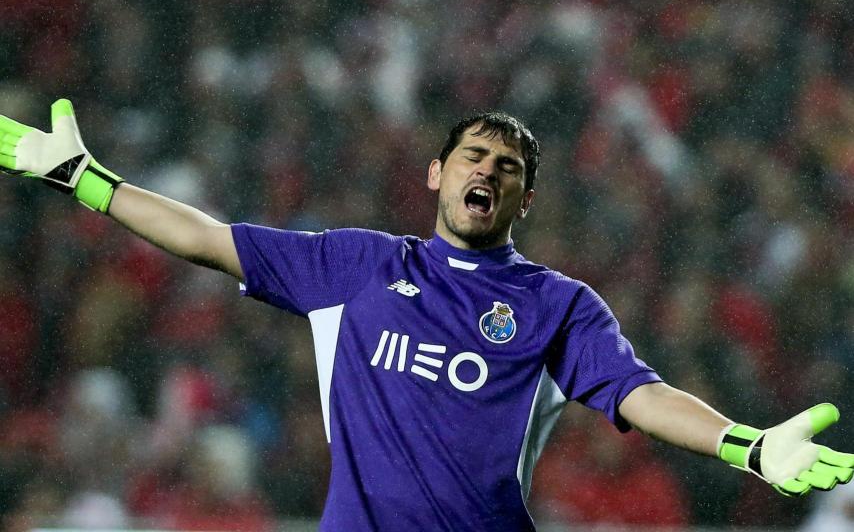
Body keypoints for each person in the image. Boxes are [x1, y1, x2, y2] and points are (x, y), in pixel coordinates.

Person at [1, 99, 852, 531]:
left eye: (510, 165)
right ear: (437, 173)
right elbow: (208, 239)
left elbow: (643, 397)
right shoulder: (357, 266)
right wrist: (88, 181)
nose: (491, 168)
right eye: (474, 153)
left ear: (524, 195)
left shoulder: (557, 305)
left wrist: (748, 444)